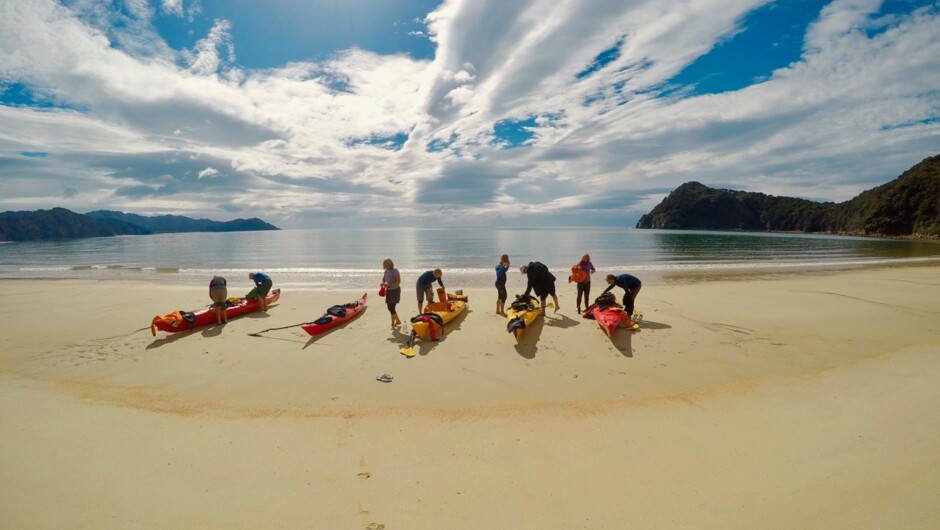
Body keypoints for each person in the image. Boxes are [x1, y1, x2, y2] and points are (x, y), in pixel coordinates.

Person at [381, 258, 402, 330]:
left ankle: (393, 324)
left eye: (386, 264)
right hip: (389, 291)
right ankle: (398, 321)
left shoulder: (395, 271)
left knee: (392, 307)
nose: (384, 266)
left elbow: (398, 281)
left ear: (390, 264)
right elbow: (384, 279)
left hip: (395, 290)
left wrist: (389, 284)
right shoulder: (386, 271)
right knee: (389, 307)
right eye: (384, 265)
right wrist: (383, 283)